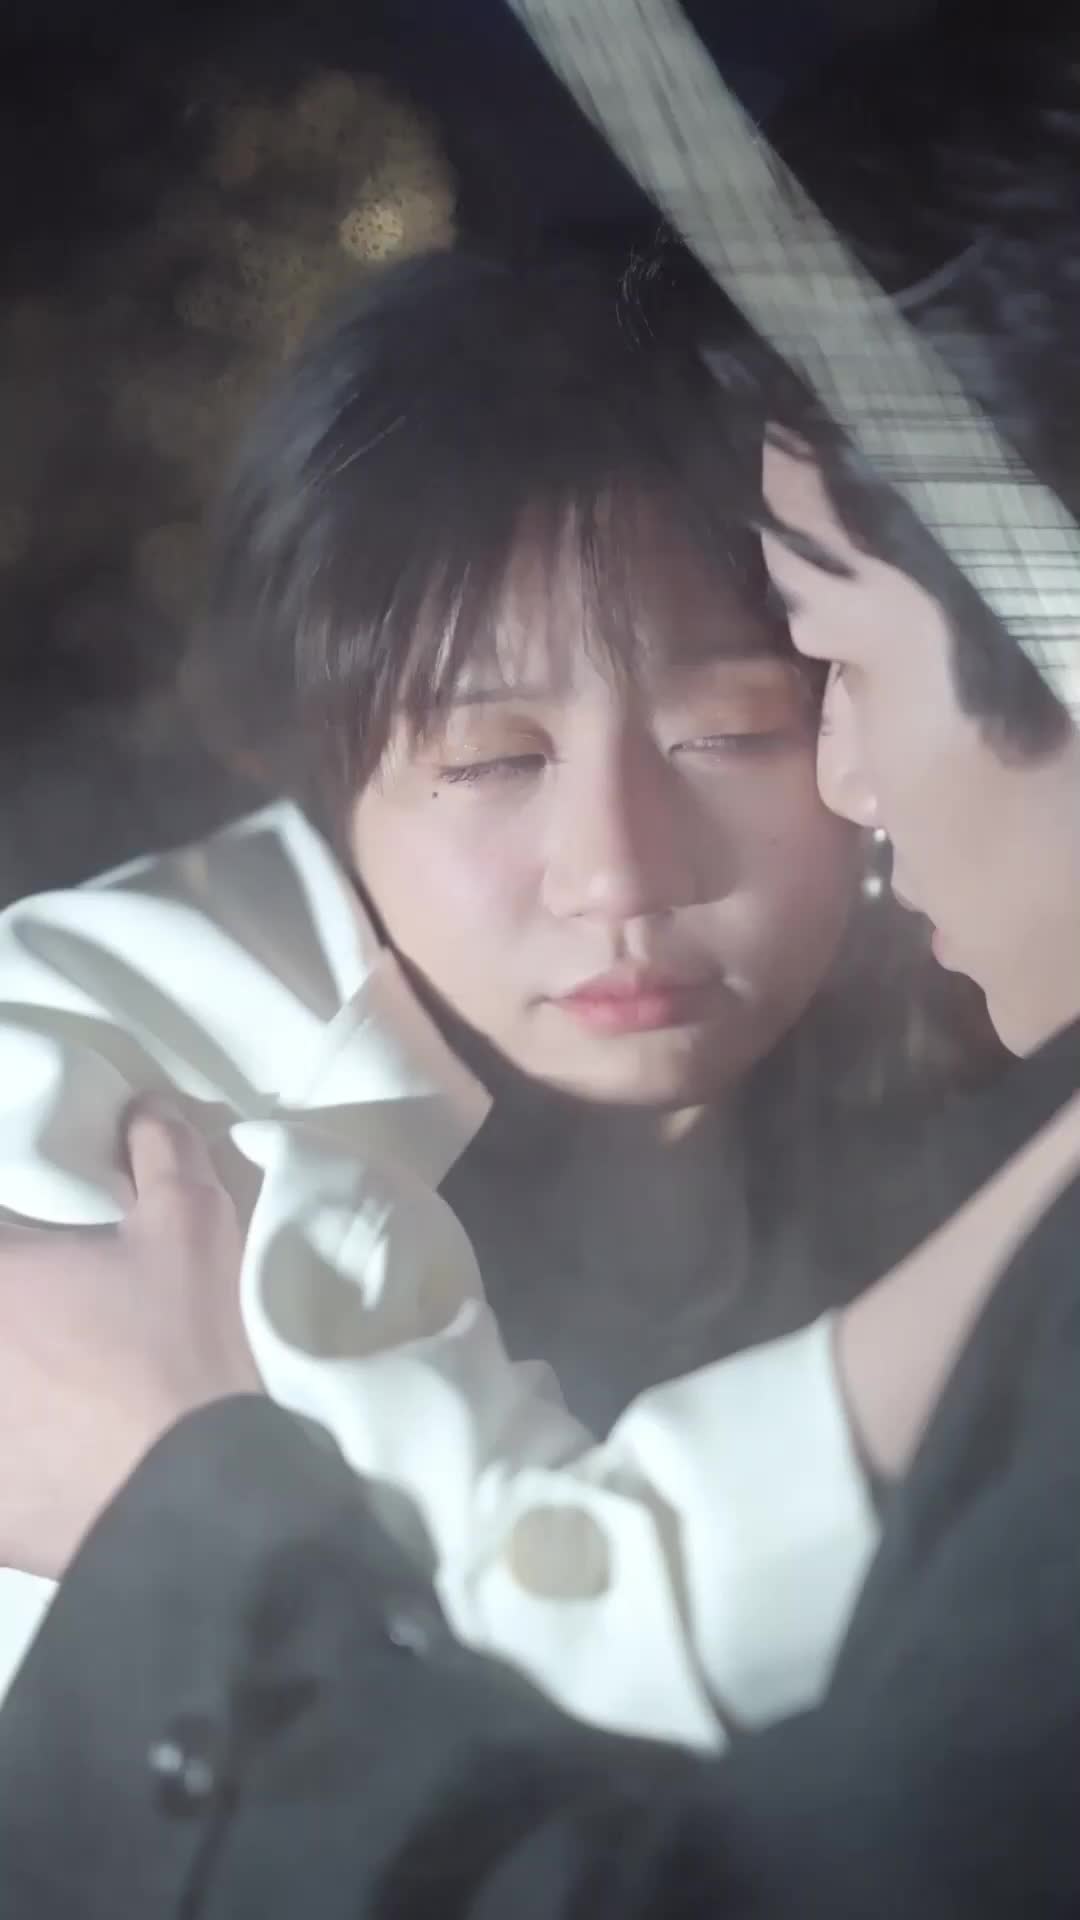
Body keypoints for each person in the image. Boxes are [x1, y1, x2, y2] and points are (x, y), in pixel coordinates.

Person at [4, 19, 1080, 1916]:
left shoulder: (920, 1053)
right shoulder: (85, 1069)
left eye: (735, 731)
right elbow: (494, 1678)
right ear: (309, 755)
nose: (619, 878)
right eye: (490, 761)